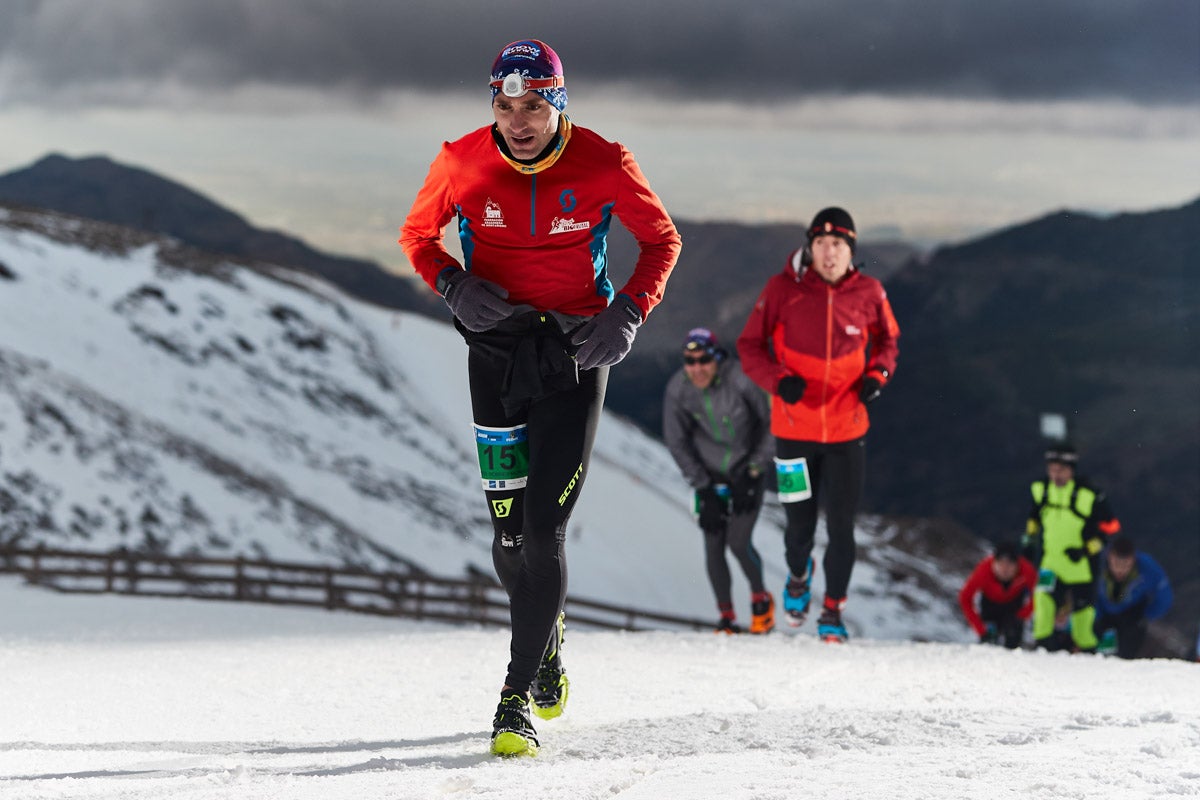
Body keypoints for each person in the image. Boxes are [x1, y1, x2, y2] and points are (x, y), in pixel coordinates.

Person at [399, 39, 681, 757]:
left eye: (533, 106)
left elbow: (661, 241)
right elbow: (417, 235)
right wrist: (452, 283)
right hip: (493, 356)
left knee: (545, 528)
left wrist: (629, 312)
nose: (518, 121)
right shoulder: (461, 160)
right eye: (504, 105)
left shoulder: (605, 161)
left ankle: (513, 699)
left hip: (576, 356)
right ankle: (546, 638)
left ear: (559, 104)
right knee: (508, 536)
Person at [736, 207, 900, 643]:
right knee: (799, 528)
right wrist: (777, 381)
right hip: (793, 434)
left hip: (848, 434)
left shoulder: (870, 292)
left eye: (839, 245)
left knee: (842, 527)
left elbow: (888, 340)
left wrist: (877, 375)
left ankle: (832, 611)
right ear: (810, 248)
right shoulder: (781, 290)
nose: (829, 253)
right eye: (822, 244)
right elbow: (749, 345)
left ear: (851, 251)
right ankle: (797, 574)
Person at [663, 328, 775, 634]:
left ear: (717, 358)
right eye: (690, 361)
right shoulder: (679, 389)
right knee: (713, 545)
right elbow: (677, 441)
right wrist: (701, 484)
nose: (697, 368)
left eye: (704, 359)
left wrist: (753, 470)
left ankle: (761, 601)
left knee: (739, 542)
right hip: (709, 478)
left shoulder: (741, 379)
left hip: (746, 473)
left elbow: (771, 422)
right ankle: (726, 618)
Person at [1022, 442, 1121, 652]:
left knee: (1082, 622)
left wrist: (1085, 550)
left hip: (1082, 568)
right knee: (1043, 607)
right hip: (1051, 562)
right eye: (1052, 470)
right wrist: (1029, 540)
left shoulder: (1089, 495)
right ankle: (1043, 651)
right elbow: (1034, 516)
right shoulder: (1041, 490)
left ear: (1071, 470)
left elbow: (1111, 528)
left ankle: (1090, 657)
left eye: (1061, 470)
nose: (1056, 475)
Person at [1092, 534, 1172, 659]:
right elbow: (1084, 591)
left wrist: (1147, 615)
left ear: (1133, 559)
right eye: (1117, 564)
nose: (1120, 570)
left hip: (1131, 615)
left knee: (1126, 653)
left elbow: (1164, 595)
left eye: (1126, 565)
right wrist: (1096, 615)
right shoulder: (1096, 563)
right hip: (1101, 613)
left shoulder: (1148, 568)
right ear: (1109, 557)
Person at [958, 540, 1038, 649]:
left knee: (1013, 641)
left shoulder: (1027, 570)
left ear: (1017, 564)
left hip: (1014, 606)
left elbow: (1038, 594)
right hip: (990, 605)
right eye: (1000, 563)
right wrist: (980, 628)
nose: (1005, 569)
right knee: (988, 643)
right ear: (994, 563)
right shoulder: (983, 570)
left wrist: (1022, 615)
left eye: (1010, 564)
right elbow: (965, 597)